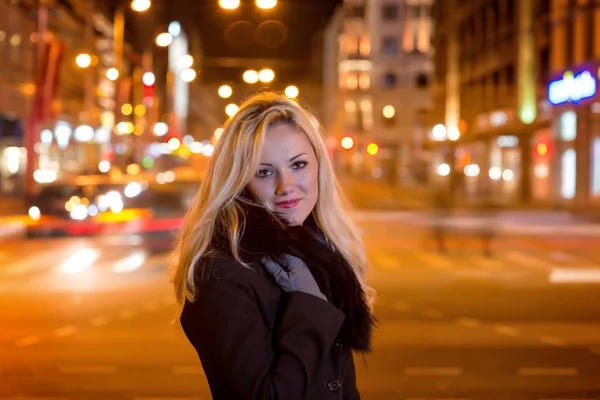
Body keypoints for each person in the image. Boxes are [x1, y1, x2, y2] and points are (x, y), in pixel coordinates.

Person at [172, 92, 374, 400]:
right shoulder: (222, 272)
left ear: (319, 166)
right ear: (239, 181)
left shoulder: (318, 255)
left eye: (298, 164)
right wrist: (309, 306)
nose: (286, 186)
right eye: (264, 171)